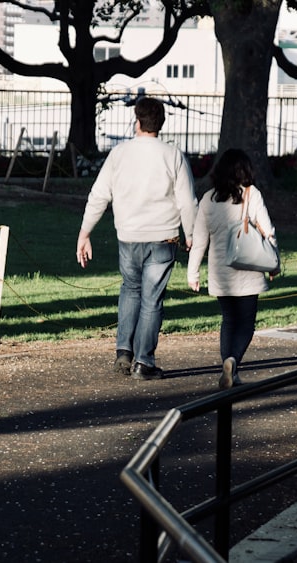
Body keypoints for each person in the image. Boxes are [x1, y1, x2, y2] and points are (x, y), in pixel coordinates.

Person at [76, 97, 198, 381]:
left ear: (137, 121)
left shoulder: (120, 154)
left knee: (130, 289)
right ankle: (144, 362)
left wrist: (85, 232)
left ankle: (123, 352)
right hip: (163, 236)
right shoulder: (173, 155)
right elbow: (187, 202)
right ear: (161, 123)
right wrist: (190, 234)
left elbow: (99, 195)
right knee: (152, 299)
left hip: (128, 235)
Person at [187, 148, 277, 390]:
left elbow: (199, 240)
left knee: (228, 320)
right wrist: (274, 261)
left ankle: (229, 367)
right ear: (245, 170)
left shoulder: (208, 199)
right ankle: (233, 360)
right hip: (249, 268)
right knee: (246, 323)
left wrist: (192, 273)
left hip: (221, 272)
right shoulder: (252, 194)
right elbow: (268, 230)